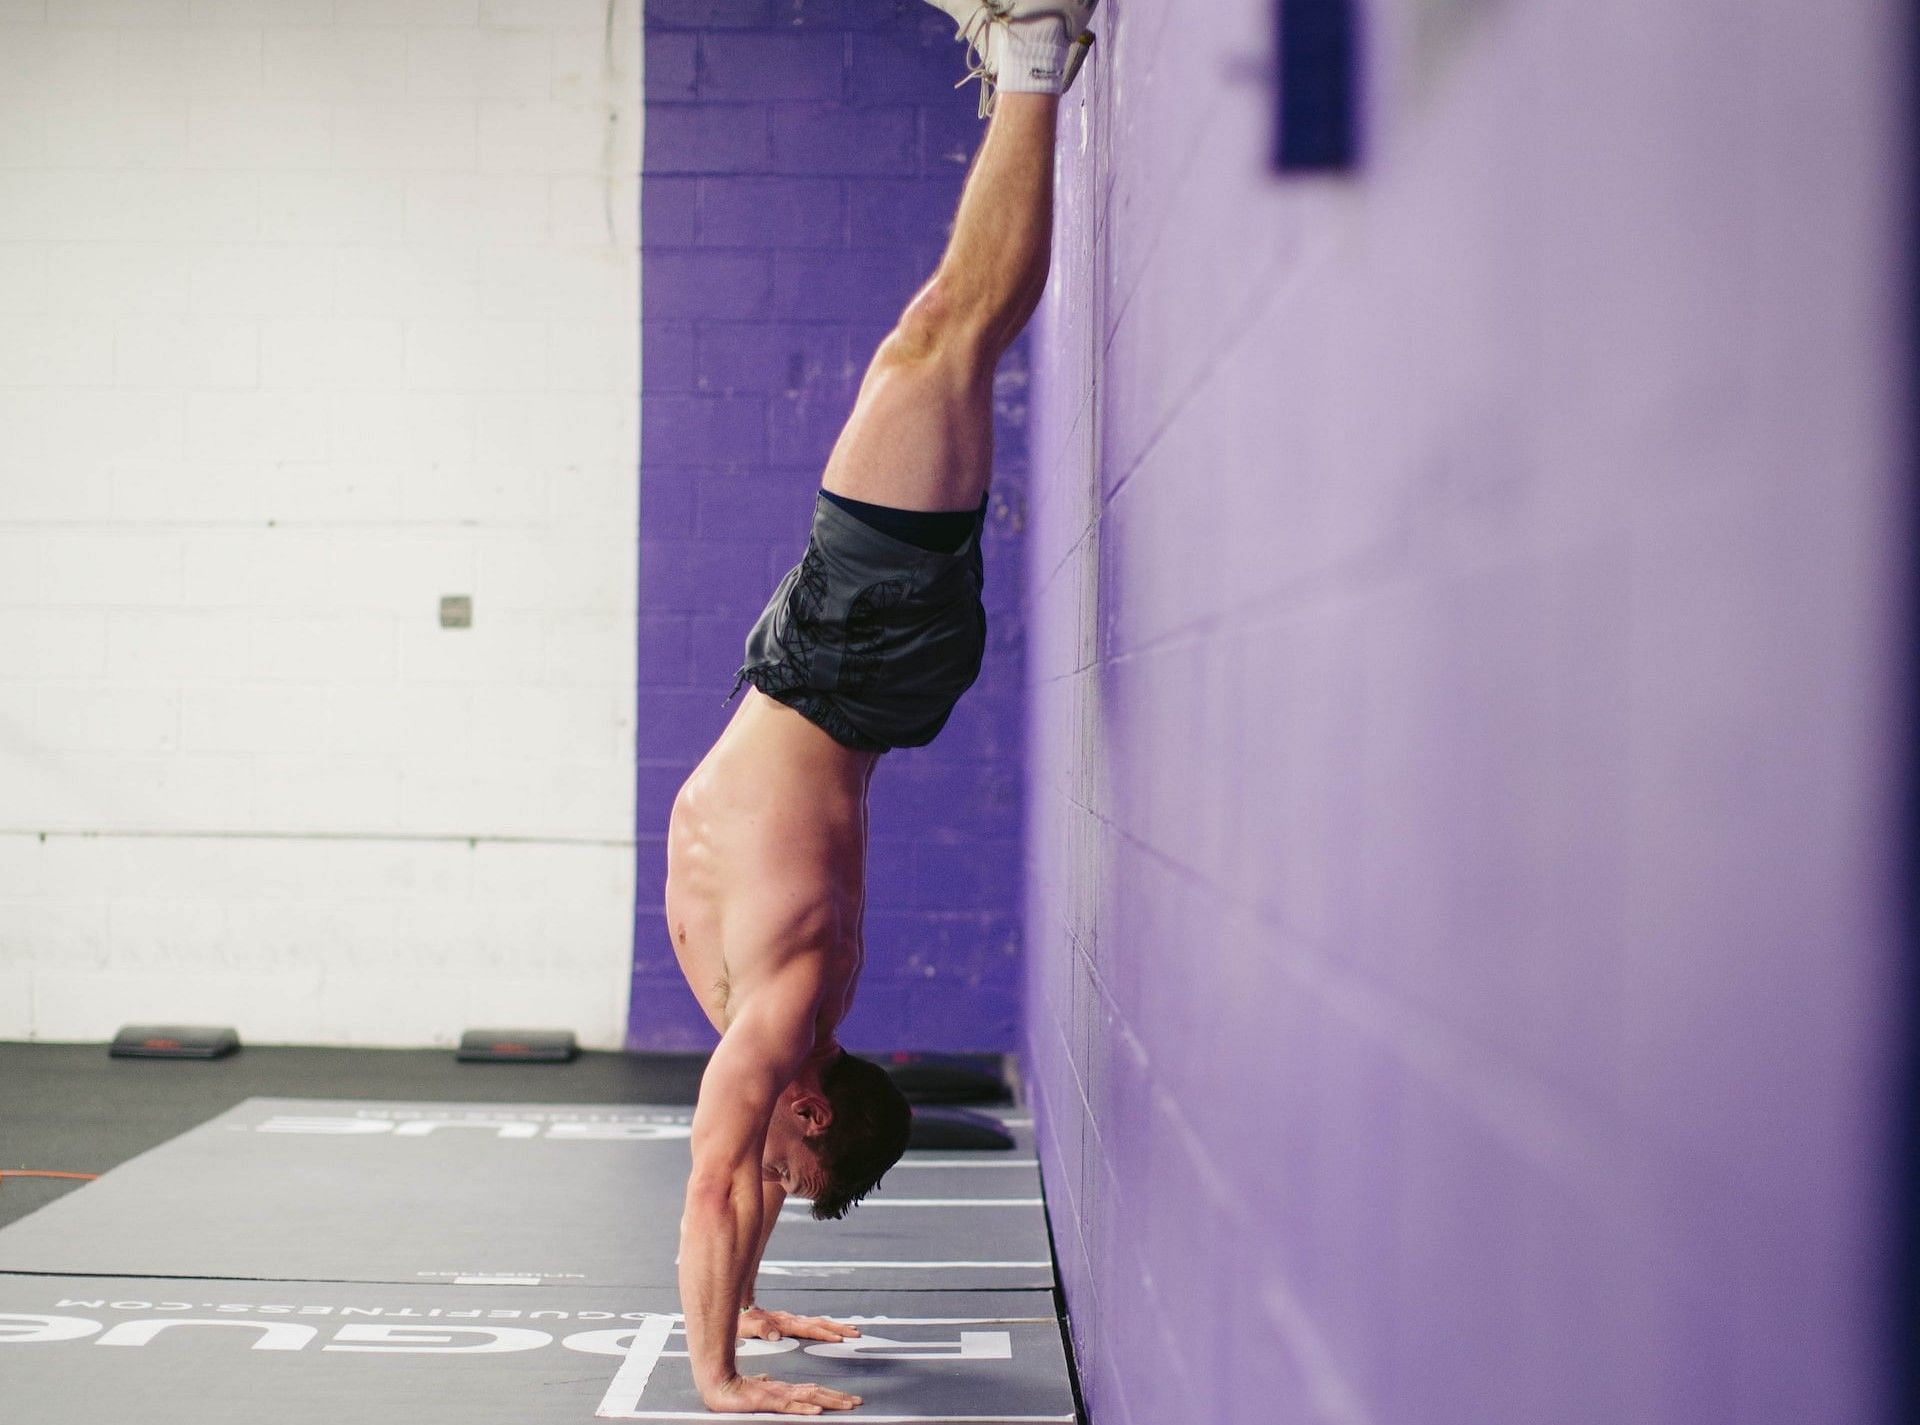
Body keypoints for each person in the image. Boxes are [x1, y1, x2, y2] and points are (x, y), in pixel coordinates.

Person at [662, 0, 1097, 1414]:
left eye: (789, 1178)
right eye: (797, 1158)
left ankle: (1035, 63)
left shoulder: (784, 1035)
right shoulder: (788, 1011)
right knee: (937, 346)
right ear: (812, 1099)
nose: (772, 1181)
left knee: (943, 346)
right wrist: (721, 1370)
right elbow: (733, 1169)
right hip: (853, 662)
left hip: (845, 666)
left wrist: (738, 1324)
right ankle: (1036, 57)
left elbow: (749, 1172)